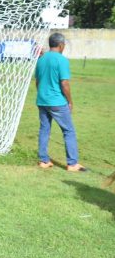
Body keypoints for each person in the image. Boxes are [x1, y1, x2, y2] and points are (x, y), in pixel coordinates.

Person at [35, 33, 86, 172]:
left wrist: (42, 95)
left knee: (44, 130)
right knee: (68, 131)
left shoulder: (41, 59)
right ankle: (72, 163)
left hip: (42, 100)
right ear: (61, 45)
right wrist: (70, 101)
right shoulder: (62, 60)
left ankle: (43, 160)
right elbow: (64, 83)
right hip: (57, 101)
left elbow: (38, 81)